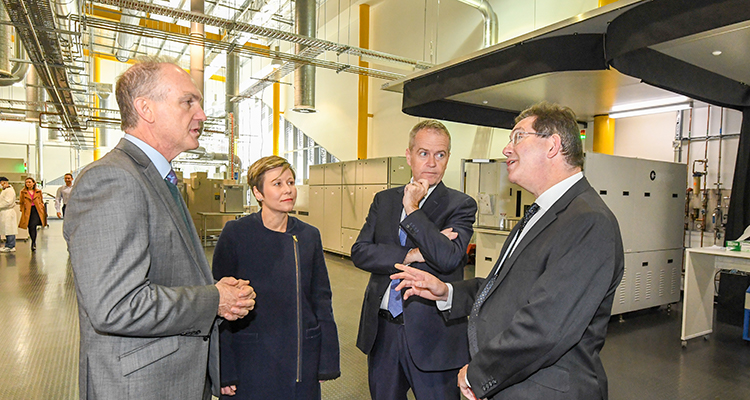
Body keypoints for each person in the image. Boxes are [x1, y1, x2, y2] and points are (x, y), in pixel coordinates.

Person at [392, 102, 625, 400]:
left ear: (552, 145)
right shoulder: (544, 212)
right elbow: (504, 289)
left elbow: (546, 329)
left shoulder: (588, 221)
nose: (506, 148)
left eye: (517, 137)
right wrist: (447, 292)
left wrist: (478, 374)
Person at [63, 58, 256, 400]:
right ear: (146, 108)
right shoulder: (114, 179)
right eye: (188, 101)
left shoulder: (158, 178)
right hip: (140, 387)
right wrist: (213, 299)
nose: (201, 114)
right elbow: (117, 305)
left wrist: (210, 288)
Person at [351, 120, 477, 400]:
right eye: (423, 153)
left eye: (440, 154)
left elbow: (448, 258)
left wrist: (412, 208)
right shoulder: (383, 200)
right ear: (408, 155)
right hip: (383, 331)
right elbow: (360, 252)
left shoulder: (460, 205)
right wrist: (414, 253)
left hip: (434, 336)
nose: (432, 162)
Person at [212, 155, 340, 399]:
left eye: (290, 182)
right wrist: (223, 368)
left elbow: (321, 299)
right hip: (251, 358)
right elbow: (219, 306)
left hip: (300, 358)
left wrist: (327, 358)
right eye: (277, 184)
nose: (288, 190)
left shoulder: (308, 236)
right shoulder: (236, 234)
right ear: (258, 193)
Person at [18, 177, 47, 251]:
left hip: (36, 210)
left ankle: (33, 242)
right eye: (27, 182)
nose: (28, 184)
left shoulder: (38, 191)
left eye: (29, 182)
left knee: (34, 225)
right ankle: (33, 240)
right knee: (30, 226)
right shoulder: (23, 192)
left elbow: (41, 200)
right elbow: (21, 202)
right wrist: (22, 210)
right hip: (28, 211)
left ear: (33, 183)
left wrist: (42, 207)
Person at [0, 177, 18, 253]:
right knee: (6, 229)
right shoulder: (5, 190)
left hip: (8, 212)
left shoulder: (9, 191)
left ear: (4, 182)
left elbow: (8, 202)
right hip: (4, 212)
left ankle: (10, 246)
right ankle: (8, 245)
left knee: (9, 229)